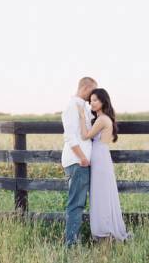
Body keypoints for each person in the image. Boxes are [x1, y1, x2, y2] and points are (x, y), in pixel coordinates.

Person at [76, 88, 132, 243]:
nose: (92, 103)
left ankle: (104, 230)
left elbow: (85, 135)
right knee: (101, 193)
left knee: (100, 194)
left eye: (95, 100)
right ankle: (104, 229)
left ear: (103, 101)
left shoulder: (102, 119)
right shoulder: (103, 118)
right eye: (91, 100)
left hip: (99, 158)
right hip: (101, 156)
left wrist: (81, 116)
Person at [61, 77, 98, 247]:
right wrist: (82, 157)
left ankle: (73, 240)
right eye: (92, 91)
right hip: (78, 162)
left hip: (81, 161)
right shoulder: (72, 106)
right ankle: (71, 244)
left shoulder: (83, 106)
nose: (93, 96)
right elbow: (70, 136)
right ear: (84, 88)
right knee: (76, 203)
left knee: (79, 202)